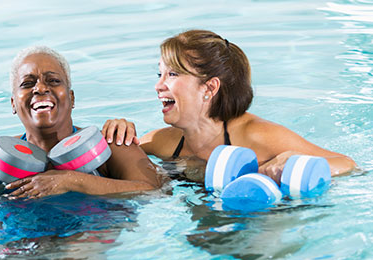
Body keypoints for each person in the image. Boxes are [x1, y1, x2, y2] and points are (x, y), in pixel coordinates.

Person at [0, 46, 164, 234]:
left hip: (90, 232)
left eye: (53, 81)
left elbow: (153, 190)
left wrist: (72, 181)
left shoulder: (110, 144)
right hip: (17, 235)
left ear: (71, 98)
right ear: (13, 103)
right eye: (27, 83)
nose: (40, 88)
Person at [102, 29, 356, 182]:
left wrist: (295, 161)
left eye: (173, 75)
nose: (159, 86)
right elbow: (107, 164)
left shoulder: (255, 134)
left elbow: (348, 165)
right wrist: (117, 132)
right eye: (159, 75)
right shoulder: (163, 142)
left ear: (210, 88)